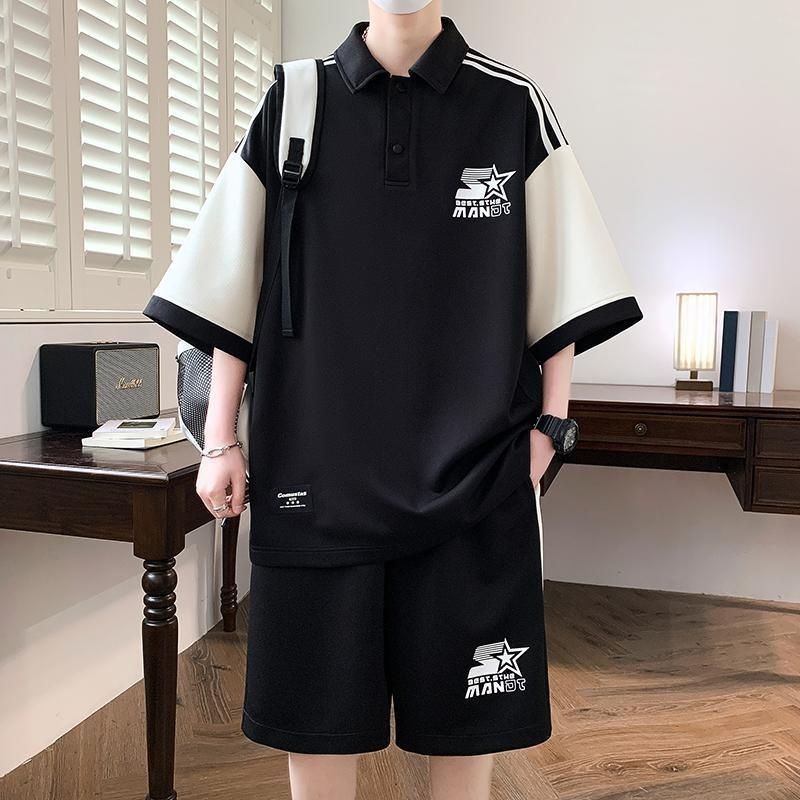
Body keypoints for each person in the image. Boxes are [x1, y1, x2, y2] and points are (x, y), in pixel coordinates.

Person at [143, 1, 644, 798]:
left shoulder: (512, 106)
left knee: (467, 741)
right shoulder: (293, 100)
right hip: (315, 486)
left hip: (473, 484)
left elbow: (564, 280)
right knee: (315, 737)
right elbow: (232, 284)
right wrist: (220, 440)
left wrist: (552, 426)